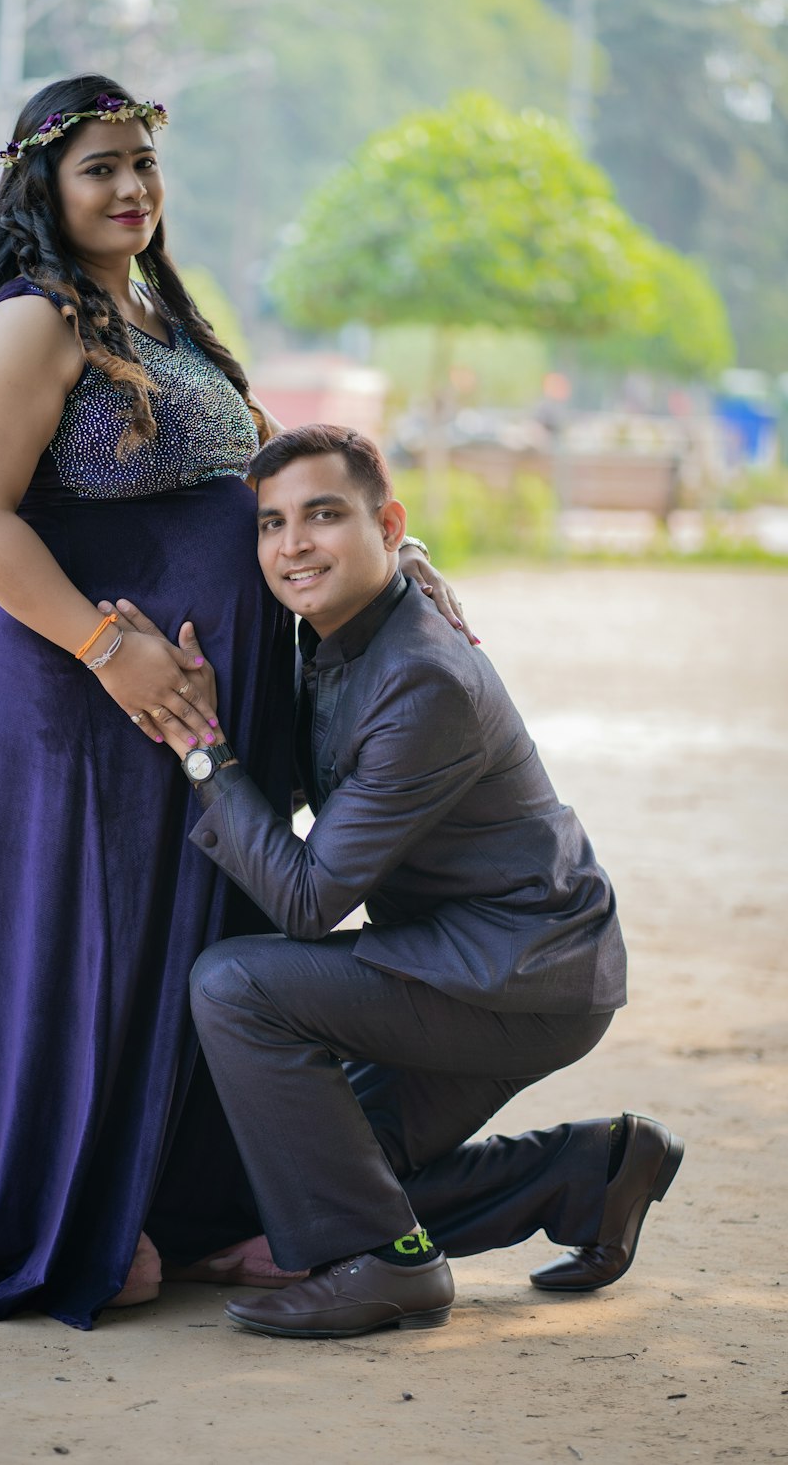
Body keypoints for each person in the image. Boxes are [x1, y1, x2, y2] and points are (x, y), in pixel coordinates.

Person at [0, 75, 460, 1330]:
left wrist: (398, 556)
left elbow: (266, 475)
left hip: (187, 707)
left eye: (142, 165)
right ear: (43, 188)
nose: (129, 189)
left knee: (195, 943)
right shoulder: (34, 320)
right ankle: (76, 1217)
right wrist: (114, 652)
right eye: (99, 167)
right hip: (86, 706)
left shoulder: (156, 315)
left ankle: (186, 1212)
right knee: (99, 951)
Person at [129, 423, 684, 1340]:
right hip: (462, 957)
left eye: (323, 516)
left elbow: (309, 903)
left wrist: (202, 750)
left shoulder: (421, 676)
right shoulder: (330, 630)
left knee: (234, 985)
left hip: (519, 973)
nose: (293, 544)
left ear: (386, 523)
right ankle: (589, 1171)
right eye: (271, 524)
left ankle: (390, 1268)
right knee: (328, 1179)